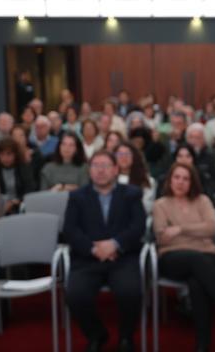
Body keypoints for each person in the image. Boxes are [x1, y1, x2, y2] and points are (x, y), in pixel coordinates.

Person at [152, 163, 215, 351]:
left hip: (206, 254)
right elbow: (162, 236)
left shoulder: (202, 200)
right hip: (173, 257)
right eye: (176, 177)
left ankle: (202, 345)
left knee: (197, 282)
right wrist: (197, 230)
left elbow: (212, 228)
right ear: (170, 180)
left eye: (185, 178)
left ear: (192, 182)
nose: (180, 182)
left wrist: (180, 228)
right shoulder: (160, 204)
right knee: (196, 260)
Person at [63, 150, 146, 352]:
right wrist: (93, 249)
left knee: (131, 291)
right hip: (88, 258)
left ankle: (126, 337)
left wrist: (115, 244)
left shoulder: (132, 194)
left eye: (105, 166)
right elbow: (70, 230)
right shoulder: (77, 197)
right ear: (89, 170)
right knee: (74, 294)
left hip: (122, 257)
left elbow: (138, 227)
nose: (100, 171)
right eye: (95, 166)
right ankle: (96, 335)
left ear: (116, 170)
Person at [0, 137, 36, 215]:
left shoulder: (24, 168)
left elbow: (30, 190)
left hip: (21, 206)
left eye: (9, 154)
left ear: (16, 154)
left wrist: (14, 202)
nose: (5, 158)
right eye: (2, 154)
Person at [114, 142, 156, 214]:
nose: (123, 157)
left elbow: (146, 208)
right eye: (120, 154)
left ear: (134, 156)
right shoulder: (108, 180)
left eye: (127, 154)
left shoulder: (147, 181)